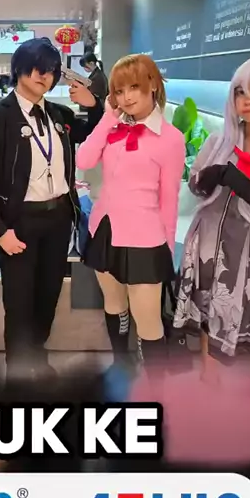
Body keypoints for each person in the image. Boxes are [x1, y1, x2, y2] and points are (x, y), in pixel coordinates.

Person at [0, 36, 103, 382]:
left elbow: (96, 135)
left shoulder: (60, 115)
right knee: (19, 302)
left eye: (52, 71)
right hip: (19, 222)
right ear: (19, 69)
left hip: (58, 218)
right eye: (38, 69)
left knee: (48, 295)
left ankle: (37, 356)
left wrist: (95, 106)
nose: (45, 76)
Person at [173, 54, 250, 384]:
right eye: (240, 91)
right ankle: (208, 385)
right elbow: (197, 186)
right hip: (209, 246)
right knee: (208, 314)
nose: (248, 99)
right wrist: (207, 178)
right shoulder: (219, 141)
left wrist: (245, 186)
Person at [75, 54, 185, 369]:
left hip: (145, 238)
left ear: (153, 85)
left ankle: (155, 387)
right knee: (114, 305)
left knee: (148, 321)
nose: (126, 97)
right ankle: (120, 364)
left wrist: (166, 251)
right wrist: (107, 118)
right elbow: (83, 161)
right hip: (104, 229)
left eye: (134, 87)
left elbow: (170, 199)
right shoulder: (113, 128)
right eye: (120, 91)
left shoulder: (171, 139)